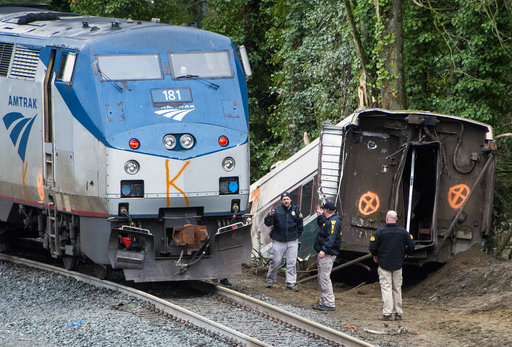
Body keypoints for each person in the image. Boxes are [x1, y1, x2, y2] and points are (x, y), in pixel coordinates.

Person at [369, 210, 415, 321]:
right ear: (396, 219)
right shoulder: (403, 232)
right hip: (398, 264)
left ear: (386, 218)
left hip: (384, 263)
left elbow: (372, 246)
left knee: (386, 288)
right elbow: (412, 245)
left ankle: (387, 314)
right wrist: (406, 254)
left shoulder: (380, 232)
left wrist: (375, 256)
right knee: (397, 289)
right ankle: (398, 313)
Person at [264, 191, 303, 292]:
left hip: (292, 240)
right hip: (278, 240)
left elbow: (300, 225)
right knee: (275, 261)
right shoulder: (276, 210)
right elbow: (268, 223)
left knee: (291, 262)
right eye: (284, 199)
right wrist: (270, 216)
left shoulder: (296, 210)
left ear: (290, 200)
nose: (286, 201)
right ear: (281, 201)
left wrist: (297, 235)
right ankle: (270, 280)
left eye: (287, 199)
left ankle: (291, 283)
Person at [312, 201, 342, 311]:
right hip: (326, 252)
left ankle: (329, 303)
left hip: (328, 254)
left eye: (323, 210)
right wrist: (320, 217)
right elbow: (324, 225)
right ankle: (324, 301)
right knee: (322, 277)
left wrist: (324, 249)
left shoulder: (334, 221)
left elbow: (331, 237)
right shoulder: (331, 220)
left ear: (326, 210)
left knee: (324, 278)